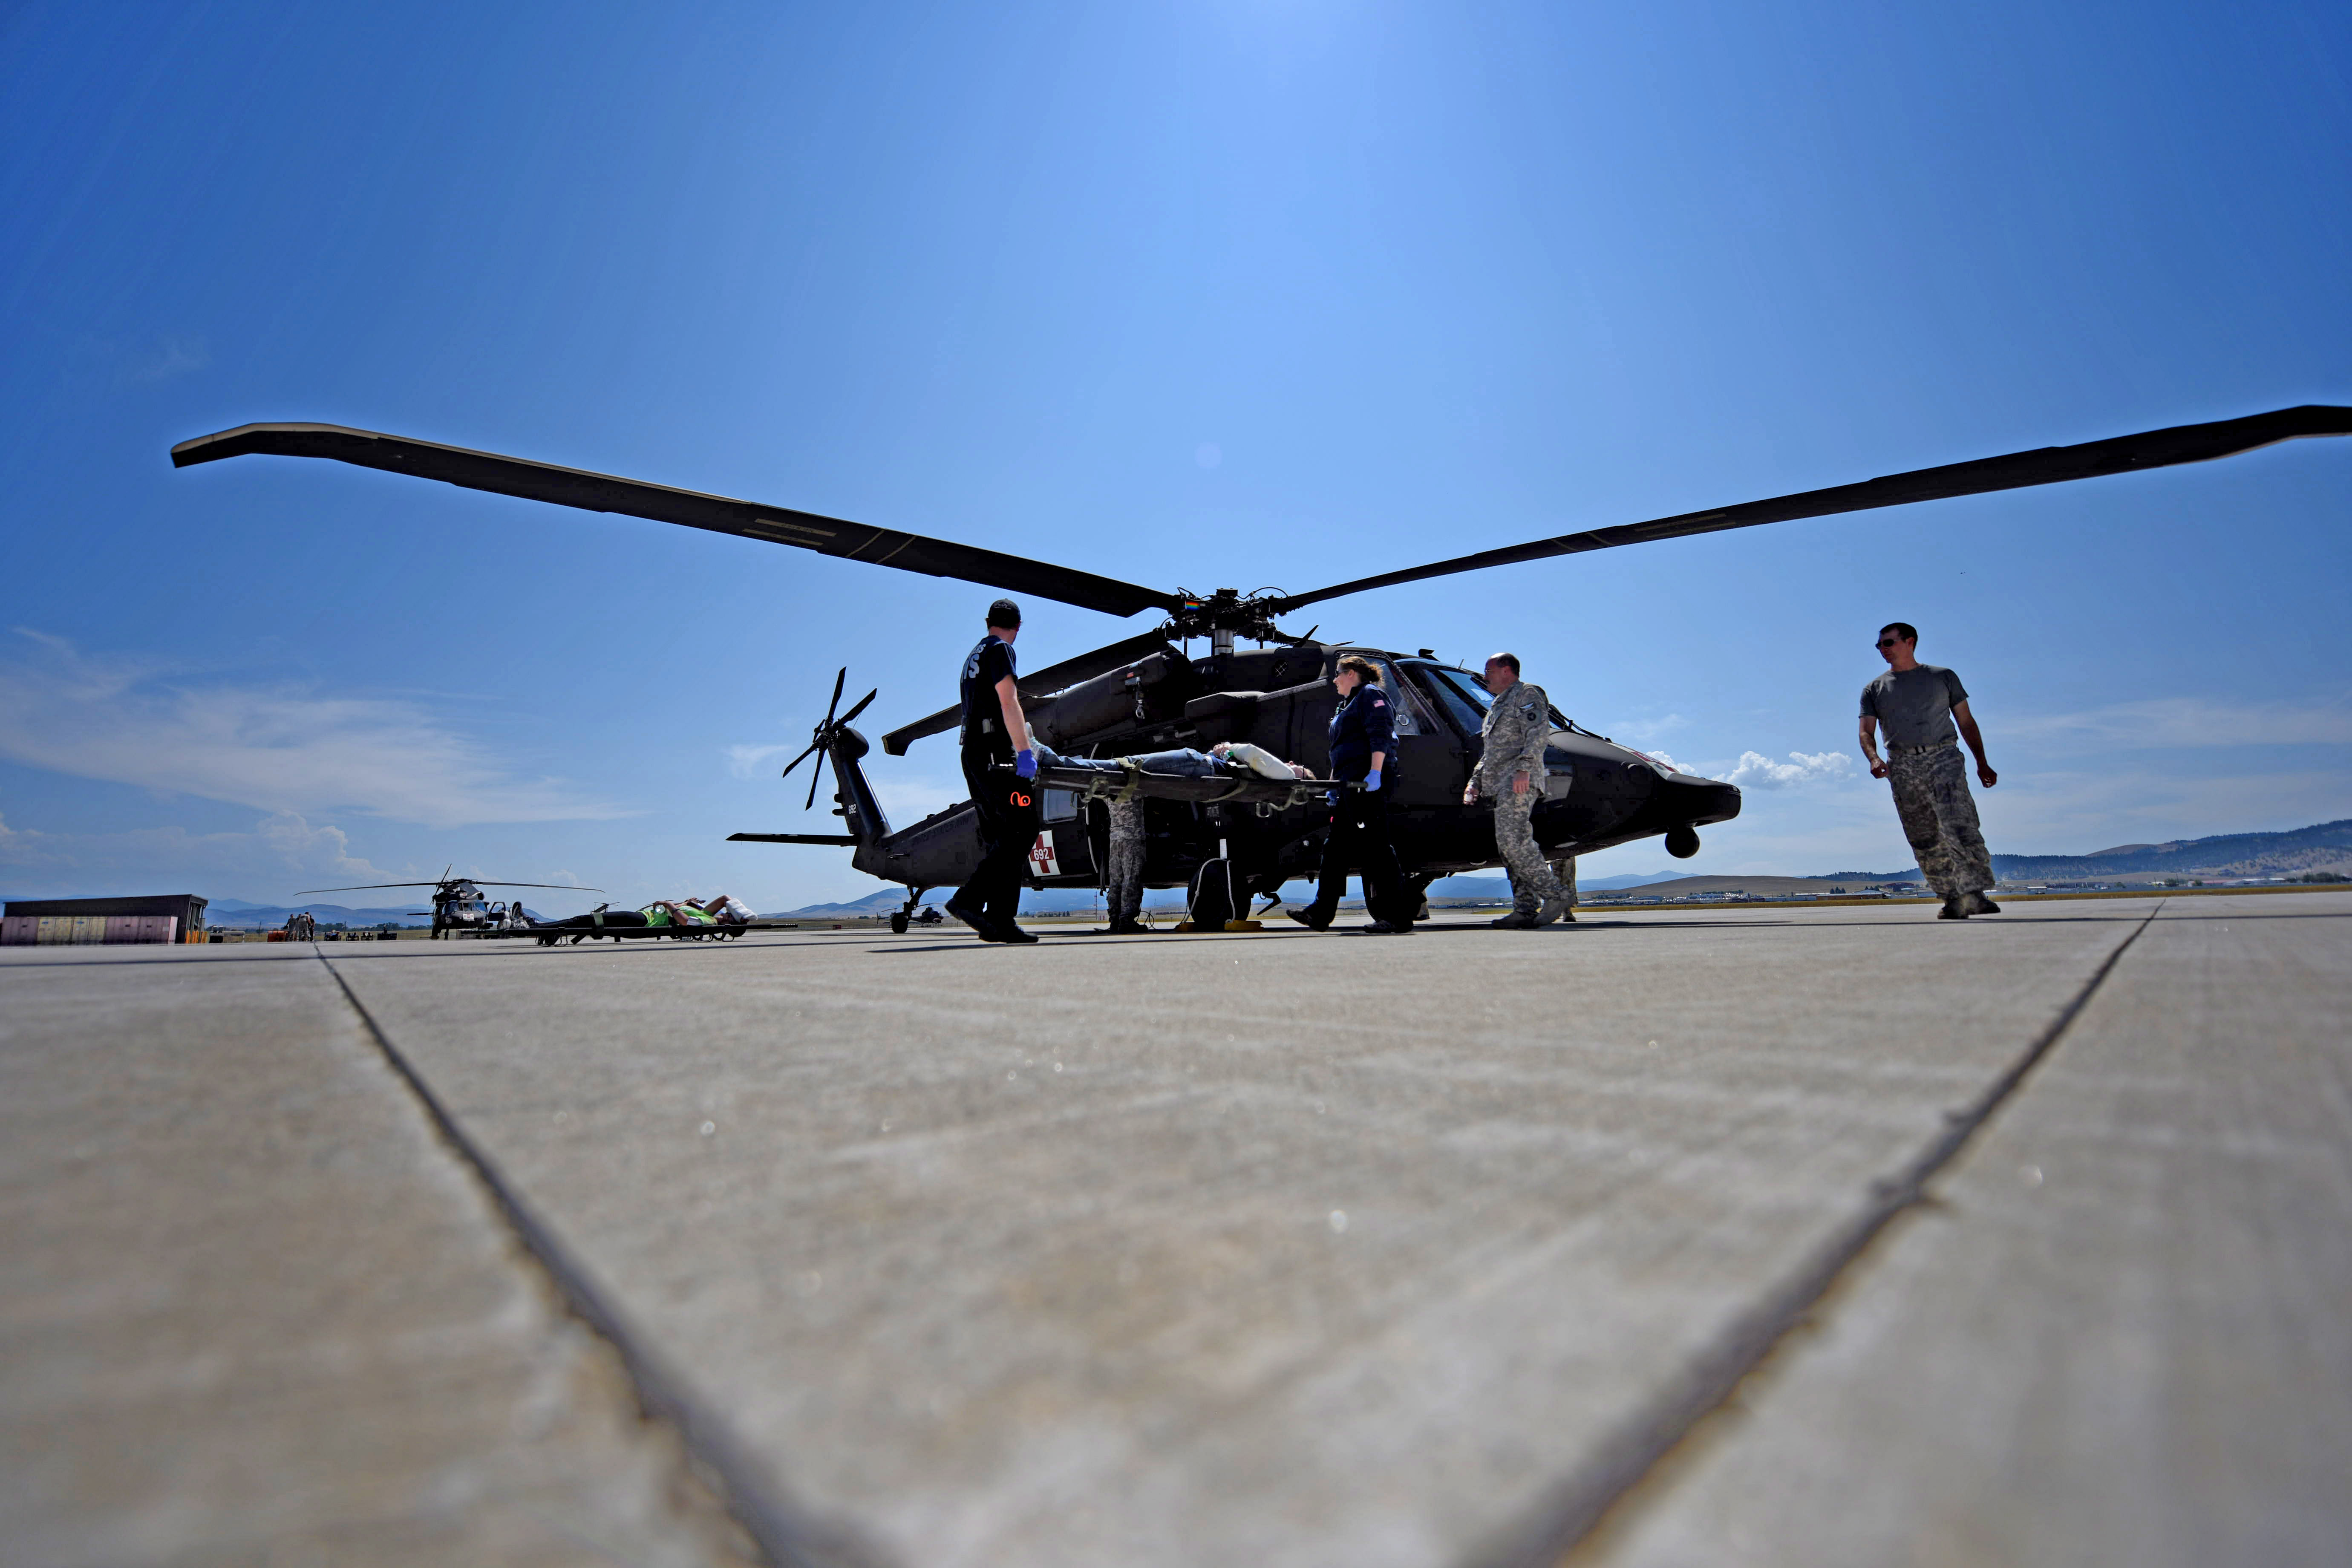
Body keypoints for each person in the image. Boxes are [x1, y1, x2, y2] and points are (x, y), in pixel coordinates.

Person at [1859, 622, 2001, 919]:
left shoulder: (1943, 677)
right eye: (1879, 645)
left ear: (1909, 642)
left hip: (1944, 757)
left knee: (1959, 824)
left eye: (1888, 643)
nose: (1883, 649)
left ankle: (1975, 894)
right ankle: (1952, 898)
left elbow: (1966, 722)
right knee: (1923, 834)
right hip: (1903, 765)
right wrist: (1874, 759)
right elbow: (1866, 732)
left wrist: (1982, 762)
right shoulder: (1874, 689)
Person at [1288, 655, 1411, 934]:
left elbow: (1381, 736)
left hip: (1366, 785)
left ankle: (1398, 917)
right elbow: (1340, 751)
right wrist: (1334, 786)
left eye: (1338, 674)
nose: (1334, 680)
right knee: (1334, 850)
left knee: (1378, 849)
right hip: (1348, 786)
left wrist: (1375, 773)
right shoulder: (1347, 704)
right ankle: (1320, 913)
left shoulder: (1371, 695)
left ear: (1352, 674)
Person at [945, 599, 1042, 944]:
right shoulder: (1001, 649)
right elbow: (1008, 701)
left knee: (1003, 838)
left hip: (973, 753)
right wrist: (1024, 752)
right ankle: (968, 900)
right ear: (1018, 626)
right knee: (1023, 829)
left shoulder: (974, 656)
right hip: (995, 754)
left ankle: (1001, 921)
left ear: (989, 621)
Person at [1463, 651, 1574, 929]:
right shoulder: (1498, 705)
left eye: (1489, 671)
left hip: (1517, 780)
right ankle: (1525, 909)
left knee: (1515, 841)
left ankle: (1556, 895)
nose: (1485, 676)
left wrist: (1524, 768)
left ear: (1507, 671)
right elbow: (1491, 752)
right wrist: (1475, 782)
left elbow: (1538, 733)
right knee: (1508, 848)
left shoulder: (1526, 694)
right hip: (1499, 783)